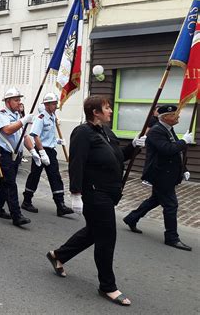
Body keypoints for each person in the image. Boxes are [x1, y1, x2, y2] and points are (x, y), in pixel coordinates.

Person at [46, 95, 146, 307]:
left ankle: (58, 255)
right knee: (106, 238)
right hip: (94, 194)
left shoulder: (106, 132)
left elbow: (118, 156)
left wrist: (134, 146)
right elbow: (77, 163)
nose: (110, 110)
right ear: (95, 112)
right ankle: (107, 286)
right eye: (106, 108)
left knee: (93, 232)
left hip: (109, 193)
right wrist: (75, 193)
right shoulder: (82, 132)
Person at [123, 105, 193, 251]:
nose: (178, 117)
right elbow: (167, 149)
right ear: (165, 117)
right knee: (171, 205)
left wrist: (183, 169)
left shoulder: (168, 129)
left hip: (168, 173)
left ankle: (132, 218)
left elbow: (175, 153)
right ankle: (172, 237)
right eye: (175, 115)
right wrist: (184, 141)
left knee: (155, 199)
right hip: (160, 174)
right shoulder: (156, 131)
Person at [22, 93, 74, 216]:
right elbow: (35, 135)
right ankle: (27, 200)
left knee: (55, 176)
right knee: (34, 176)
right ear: (47, 104)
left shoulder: (52, 116)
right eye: (54, 104)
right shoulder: (40, 118)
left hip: (50, 150)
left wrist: (57, 141)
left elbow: (48, 136)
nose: (56, 106)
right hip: (41, 150)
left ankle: (60, 205)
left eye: (56, 103)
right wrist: (41, 152)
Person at [0, 87, 36, 227]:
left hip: (16, 155)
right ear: (8, 102)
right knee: (10, 184)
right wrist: (23, 121)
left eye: (19, 100)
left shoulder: (17, 116)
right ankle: (17, 215)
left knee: (5, 183)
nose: (19, 102)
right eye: (16, 100)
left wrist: (33, 151)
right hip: (4, 154)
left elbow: (25, 136)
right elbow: (7, 130)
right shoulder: (1, 115)